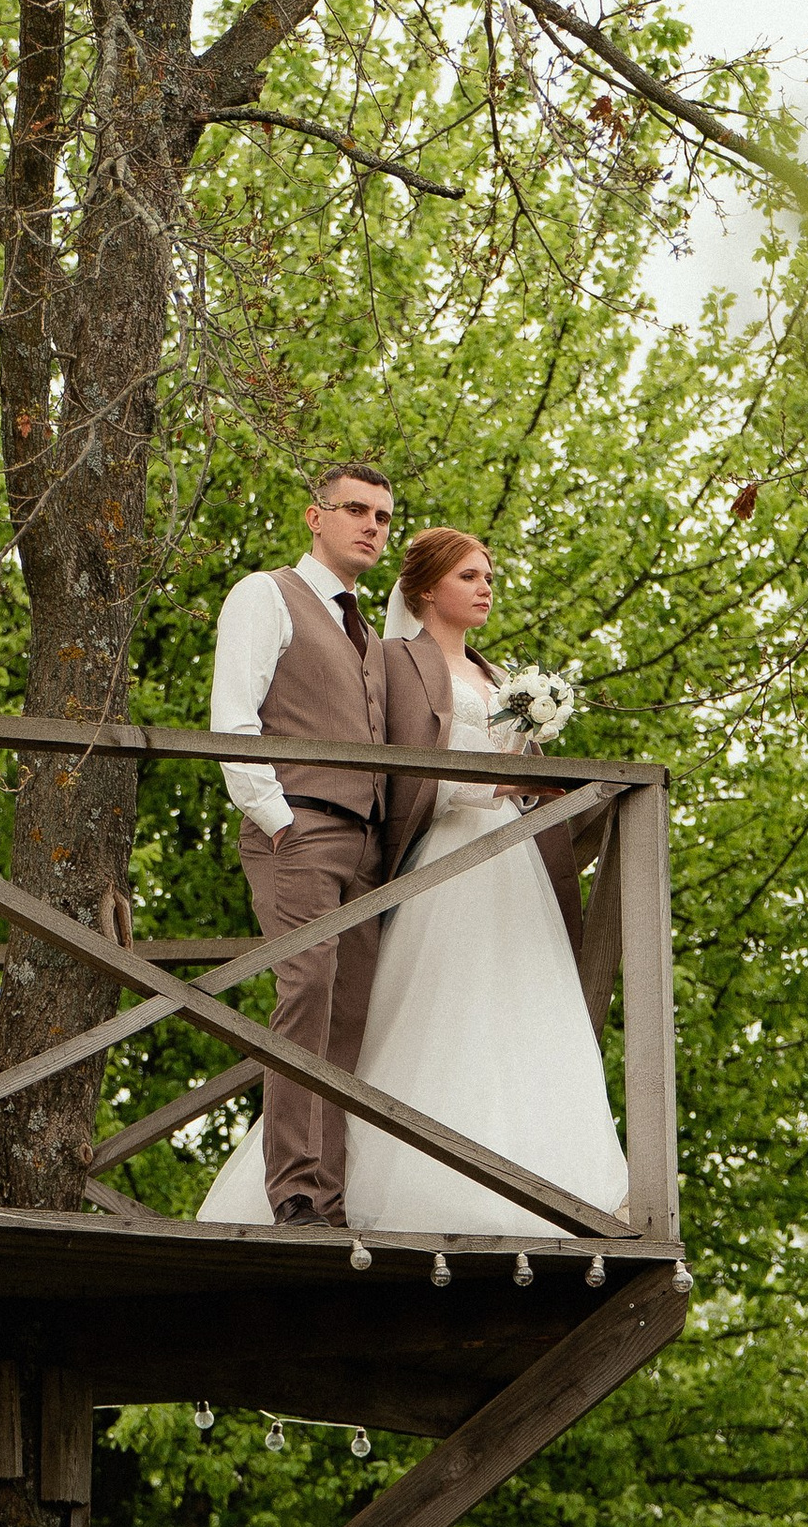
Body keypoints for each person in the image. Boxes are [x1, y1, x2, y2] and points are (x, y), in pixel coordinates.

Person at [201, 524, 627, 1236]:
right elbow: (406, 766)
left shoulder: (496, 675)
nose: (486, 586)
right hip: (436, 850)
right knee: (404, 1008)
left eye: (489, 575)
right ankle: (346, 1188)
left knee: (519, 1006)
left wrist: (538, 778)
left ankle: (546, 1178)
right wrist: (274, 814)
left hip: (512, 852)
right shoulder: (395, 659)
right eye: (469, 576)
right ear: (426, 589)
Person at [205, 461, 396, 1224]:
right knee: (305, 999)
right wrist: (275, 818)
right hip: (300, 829)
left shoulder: (370, 634)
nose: (372, 526)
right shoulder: (266, 594)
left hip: (367, 844)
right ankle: (297, 1193)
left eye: (383, 517)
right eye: (356, 510)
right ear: (315, 516)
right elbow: (234, 715)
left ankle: (334, 1195)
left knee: (350, 1015)